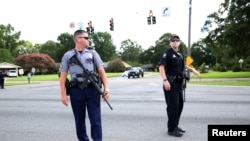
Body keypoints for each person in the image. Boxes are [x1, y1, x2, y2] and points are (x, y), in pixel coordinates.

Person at [59, 29, 110, 141]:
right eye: (86, 38)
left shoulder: (93, 53)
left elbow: (102, 72)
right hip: (76, 91)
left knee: (95, 120)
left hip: (92, 90)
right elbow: (63, 77)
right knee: (79, 120)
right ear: (78, 39)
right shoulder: (68, 55)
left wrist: (107, 88)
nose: (88, 40)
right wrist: (63, 94)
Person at [159, 34, 186, 137]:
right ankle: (171, 129)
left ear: (179, 42)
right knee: (173, 107)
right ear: (170, 43)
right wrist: (165, 80)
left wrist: (193, 70)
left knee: (179, 106)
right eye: (173, 40)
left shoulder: (180, 54)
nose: (175, 42)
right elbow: (161, 67)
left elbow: (184, 66)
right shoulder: (167, 53)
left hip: (179, 84)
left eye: (177, 40)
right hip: (170, 83)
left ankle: (175, 125)